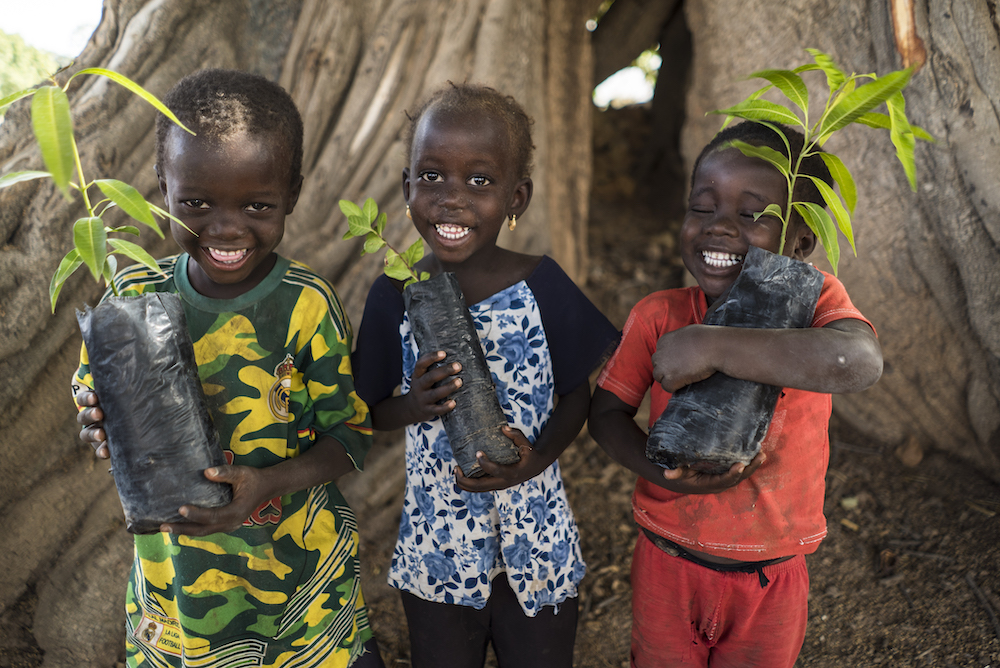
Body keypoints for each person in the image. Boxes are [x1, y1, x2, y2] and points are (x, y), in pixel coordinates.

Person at [73, 69, 385, 668]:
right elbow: (94, 396)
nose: (226, 228)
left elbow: (351, 438)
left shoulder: (305, 304)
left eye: (257, 205)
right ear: (161, 186)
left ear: (291, 195)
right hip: (178, 594)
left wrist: (266, 483)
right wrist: (95, 421)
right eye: (195, 203)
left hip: (301, 597)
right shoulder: (131, 296)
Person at [588, 121, 884, 668]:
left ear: (800, 242)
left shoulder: (816, 305)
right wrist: (654, 470)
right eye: (702, 208)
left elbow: (857, 361)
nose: (718, 229)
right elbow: (606, 413)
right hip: (667, 561)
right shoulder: (659, 315)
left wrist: (714, 346)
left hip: (771, 577)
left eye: (752, 215)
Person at [352, 83, 619, 668]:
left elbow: (578, 391)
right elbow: (364, 409)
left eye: (479, 181)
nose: (453, 200)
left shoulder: (542, 284)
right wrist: (415, 405)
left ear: (516, 197)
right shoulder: (395, 295)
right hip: (438, 545)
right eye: (432, 177)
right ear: (406, 188)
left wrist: (538, 459)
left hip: (539, 540)